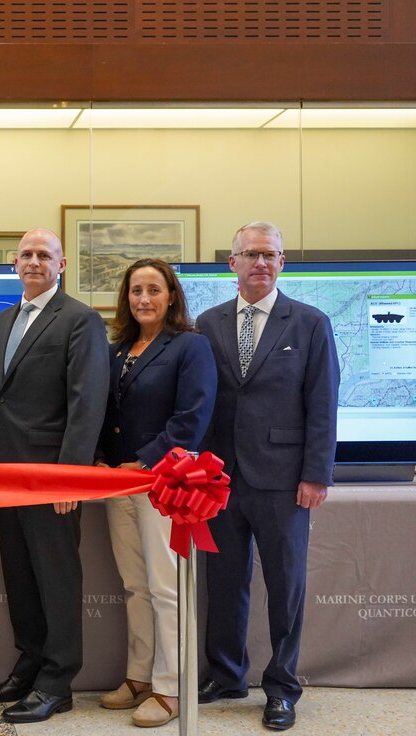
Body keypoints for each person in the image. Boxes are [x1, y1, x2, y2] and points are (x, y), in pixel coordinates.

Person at [196, 222, 339, 732]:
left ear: (282, 263)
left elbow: (322, 404)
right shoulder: (207, 324)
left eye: (270, 254)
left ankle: (281, 687)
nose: (260, 261)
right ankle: (227, 676)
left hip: (284, 480)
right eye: (250, 253)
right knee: (225, 582)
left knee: (286, 586)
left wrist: (316, 474)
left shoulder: (310, 323)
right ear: (231, 262)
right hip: (219, 480)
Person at [0, 228, 110, 724]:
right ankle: (29, 664)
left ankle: (58, 680)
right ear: (15, 263)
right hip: (2, 471)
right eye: (26, 254)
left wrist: (70, 478)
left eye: (44, 255)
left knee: (56, 577)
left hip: (51, 477)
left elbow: (87, 402)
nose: (34, 261)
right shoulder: (2, 320)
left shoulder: (81, 320)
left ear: (62, 263)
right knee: (19, 574)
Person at [96, 259, 216, 728]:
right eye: (135, 290)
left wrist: (144, 459)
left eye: (153, 290)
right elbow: (106, 412)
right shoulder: (117, 348)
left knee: (167, 589)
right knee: (134, 586)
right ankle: (140, 677)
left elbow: (192, 417)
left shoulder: (191, 346)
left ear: (171, 296)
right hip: (117, 482)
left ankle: (171, 688)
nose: (143, 298)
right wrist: (104, 458)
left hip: (163, 482)